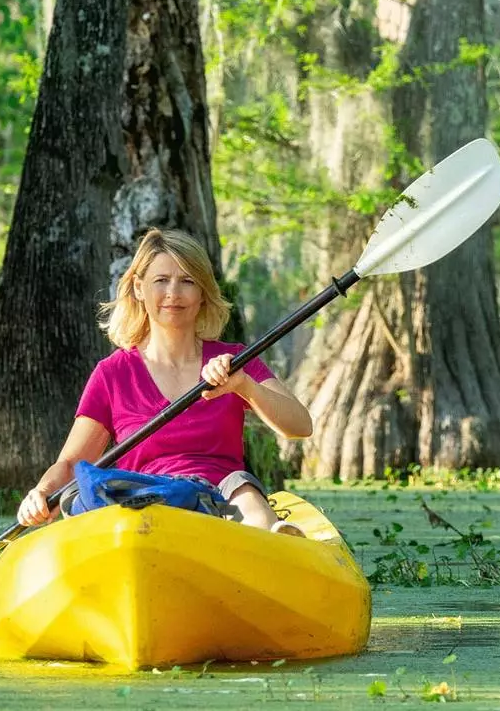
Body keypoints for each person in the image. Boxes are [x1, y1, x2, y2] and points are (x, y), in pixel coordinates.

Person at [16, 228, 313, 536]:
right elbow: (71, 463)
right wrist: (41, 491)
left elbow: (300, 425)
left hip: (221, 498)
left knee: (244, 488)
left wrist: (245, 386)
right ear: (139, 288)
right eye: (161, 280)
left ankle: (271, 544)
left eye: (187, 281)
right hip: (144, 503)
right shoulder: (112, 373)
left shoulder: (235, 360)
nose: (173, 292)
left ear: (202, 293)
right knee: (75, 497)